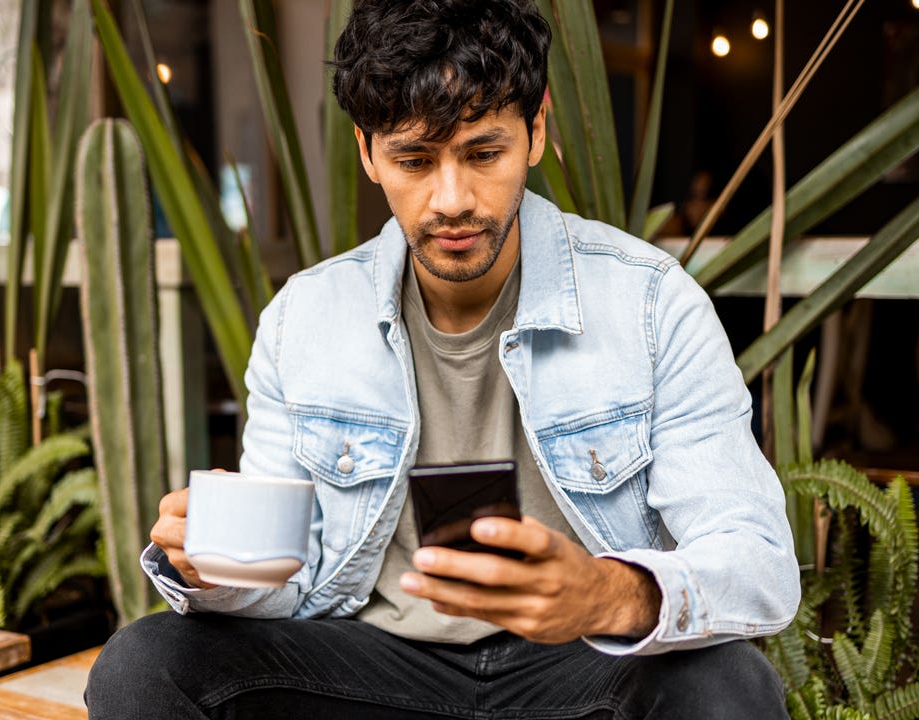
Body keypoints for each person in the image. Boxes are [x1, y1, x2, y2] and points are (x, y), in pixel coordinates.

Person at [87, 0, 800, 717]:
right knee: (146, 664)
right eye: (415, 160)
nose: (452, 200)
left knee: (725, 684)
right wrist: (214, 567)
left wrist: (606, 593)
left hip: (579, 667)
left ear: (537, 130)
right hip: (374, 669)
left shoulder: (650, 303)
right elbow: (285, 581)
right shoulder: (304, 318)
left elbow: (757, 562)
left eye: (484, 153)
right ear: (367, 151)